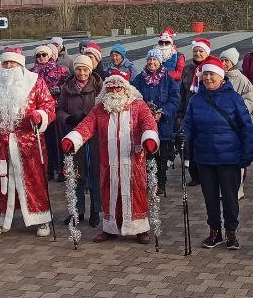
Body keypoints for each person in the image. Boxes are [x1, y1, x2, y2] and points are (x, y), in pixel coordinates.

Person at [0, 46, 57, 237]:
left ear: (20, 65)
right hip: (2, 143)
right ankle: (0, 220)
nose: (8, 67)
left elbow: (49, 106)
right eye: (6, 63)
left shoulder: (36, 82)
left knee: (35, 180)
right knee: (2, 181)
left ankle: (41, 220)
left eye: (12, 63)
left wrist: (40, 116)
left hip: (30, 142)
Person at [61, 71, 160, 244]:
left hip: (132, 159)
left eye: (118, 87)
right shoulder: (100, 108)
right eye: (110, 88)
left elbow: (148, 122)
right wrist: (73, 138)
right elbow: (87, 126)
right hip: (109, 160)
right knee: (109, 192)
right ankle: (110, 228)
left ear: (126, 88)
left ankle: (140, 229)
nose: (114, 91)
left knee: (135, 192)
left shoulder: (137, 105)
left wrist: (149, 137)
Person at [182, 57, 253, 250]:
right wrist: (182, 136)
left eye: (211, 74)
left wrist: (247, 154)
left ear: (221, 76)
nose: (207, 78)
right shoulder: (196, 99)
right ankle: (214, 230)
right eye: (205, 74)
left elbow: (246, 127)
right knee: (210, 197)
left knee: (230, 197)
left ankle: (231, 231)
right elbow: (189, 124)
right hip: (205, 157)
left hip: (228, 157)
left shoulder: (234, 98)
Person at [56, 54, 103, 225]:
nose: (82, 73)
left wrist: (92, 120)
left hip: (93, 137)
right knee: (76, 173)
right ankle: (77, 211)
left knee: (94, 173)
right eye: (78, 69)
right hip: (74, 134)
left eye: (85, 69)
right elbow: (59, 109)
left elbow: (105, 108)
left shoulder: (98, 86)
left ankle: (96, 210)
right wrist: (67, 118)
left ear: (90, 70)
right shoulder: (67, 87)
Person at [133, 48, 180, 196]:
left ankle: (161, 184)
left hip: (163, 124)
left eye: (155, 60)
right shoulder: (139, 79)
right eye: (149, 59)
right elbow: (134, 97)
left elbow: (175, 100)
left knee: (162, 156)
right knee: (147, 155)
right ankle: (148, 182)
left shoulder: (168, 79)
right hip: (145, 124)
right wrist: (145, 112)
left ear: (160, 62)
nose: (152, 62)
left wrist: (162, 112)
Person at [221, 47, 253, 199]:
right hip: (222, 126)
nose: (224, 63)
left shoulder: (242, 80)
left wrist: (236, 110)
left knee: (238, 158)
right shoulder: (217, 77)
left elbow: (251, 101)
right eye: (222, 60)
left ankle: (239, 187)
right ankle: (225, 187)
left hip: (237, 124)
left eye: (227, 61)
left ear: (233, 63)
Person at [176, 37, 212, 188]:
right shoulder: (187, 69)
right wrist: (180, 112)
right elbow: (182, 92)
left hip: (205, 113)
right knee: (189, 145)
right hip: (189, 112)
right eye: (195, 51)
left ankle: (206, 175)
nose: (197, 53)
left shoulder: (210, 68)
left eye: (201, 51)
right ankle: (194, 176)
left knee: (203, 144)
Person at [33, 44, 70, 179]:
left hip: (56, 108)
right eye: (38, 55)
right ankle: (47, 170)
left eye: (44, 55)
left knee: (58, 140)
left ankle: (61, 170)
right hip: (39, 111)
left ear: (49, 56)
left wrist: (59, 88)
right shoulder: (32, 72)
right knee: (44, 141)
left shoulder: (60, 69)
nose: (41, 58)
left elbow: (69, 83)